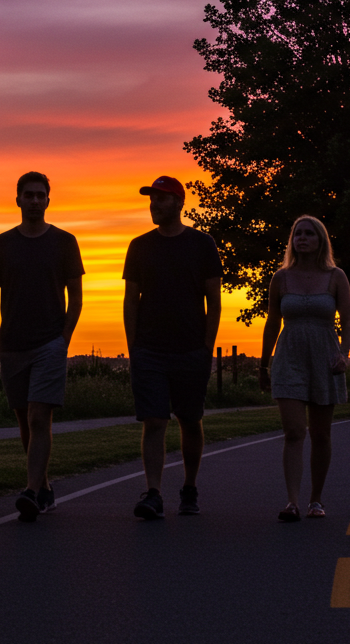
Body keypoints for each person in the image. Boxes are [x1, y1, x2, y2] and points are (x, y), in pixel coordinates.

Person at [0, 172, 84, 523]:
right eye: (29, 195)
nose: (35, 201)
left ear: (49, 200)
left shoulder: (65, 242)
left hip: (49, 343)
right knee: (24, 418)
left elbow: (76, 298)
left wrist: (63, 340)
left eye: (41, 195)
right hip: (11, 345)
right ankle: (44, 486)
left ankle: (31, 492)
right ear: (18, 200)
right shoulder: (2, 244)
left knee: (40, 416)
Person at [124, 175, 222, 520]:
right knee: (153, 420)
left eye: (162, 199)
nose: (155, 204)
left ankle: (190, 486)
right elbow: (130, 300)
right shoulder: (139, 246)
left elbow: (214, 301)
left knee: (190, 419)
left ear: (179, 203)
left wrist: (206, 347)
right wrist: (133, 347)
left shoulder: (202, 244)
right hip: (149, 349)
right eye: (152, 198)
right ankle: (153, 492)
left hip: (190, 348)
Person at [258, 217, 350, 522]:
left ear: (321, 240)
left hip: (325, 357)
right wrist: (264, 363)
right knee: (294, 431)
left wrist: (343, 354)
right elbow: (272, 322)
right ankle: (292, 502)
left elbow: (349, 320)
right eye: (297, 234)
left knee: (321, 435)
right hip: (289, 358)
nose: (302, 238)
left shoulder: (336, 276)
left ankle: (316, 500)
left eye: (309, 234)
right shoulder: (281, 278)